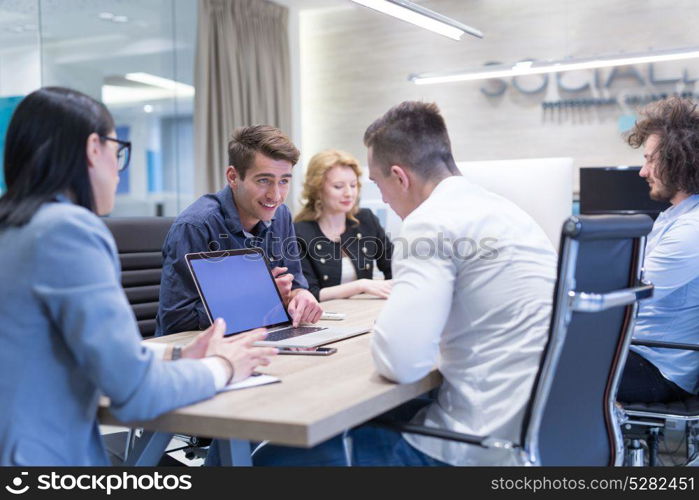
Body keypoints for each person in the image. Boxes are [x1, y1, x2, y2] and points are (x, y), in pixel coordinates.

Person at [254, 101, 557, 466]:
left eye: (377, 185)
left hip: (474, 446)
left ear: (400, 177)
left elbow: (401, 362)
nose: (379, 198)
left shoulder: (431, 222)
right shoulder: (509, 213)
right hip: (542, 435)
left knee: (271, 458)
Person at [0, 87, 277, 466]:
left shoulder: (15, 228)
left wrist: (177, 354)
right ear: (93, 148)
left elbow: (51, 347)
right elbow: (134, 392)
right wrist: (224, 367)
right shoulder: (67, 231)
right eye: (118, 149)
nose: (118, 168)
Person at [156, 125, 322, 336]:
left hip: (263, 338)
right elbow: (177, 322)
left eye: (284, 181)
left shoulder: (281, 215)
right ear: (233, 177)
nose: (276, 195)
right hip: (201, 351)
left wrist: (301, 295)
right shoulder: (195, 227)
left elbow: (295, 282)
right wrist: (261, 298)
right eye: (264, 180)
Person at [617, 96, 699, 404]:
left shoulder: (692, 229)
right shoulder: (674, 217)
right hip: (639, 351)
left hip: (658, 369)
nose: (643, 171)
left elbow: (628, 294)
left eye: (650, 159)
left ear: (680, 160)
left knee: (540, 362)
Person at [294, 149, 393, 301]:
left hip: (365, 313)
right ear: (317, 189)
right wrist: (361, 285)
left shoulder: (366, 219)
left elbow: (393, 268)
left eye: (353, 185)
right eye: (338, 186)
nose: (349, 193)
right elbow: (309, 293)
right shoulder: (299, 232)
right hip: (324, 318)